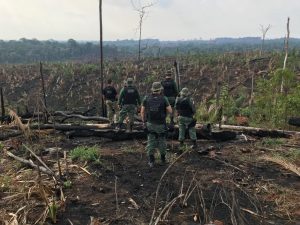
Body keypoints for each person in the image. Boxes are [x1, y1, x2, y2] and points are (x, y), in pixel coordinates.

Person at [141, 82, 172, 167]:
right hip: (161, 124)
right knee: (162, 141)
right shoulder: (164, 98)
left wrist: (144, 122)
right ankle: (163, 159)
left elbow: (142, 111)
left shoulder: (146, 98)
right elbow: (170, 110)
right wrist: (167, 117)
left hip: (150, 123)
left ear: (152, 89)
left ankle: (151, 161)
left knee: (151, 141)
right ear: (160, 89)